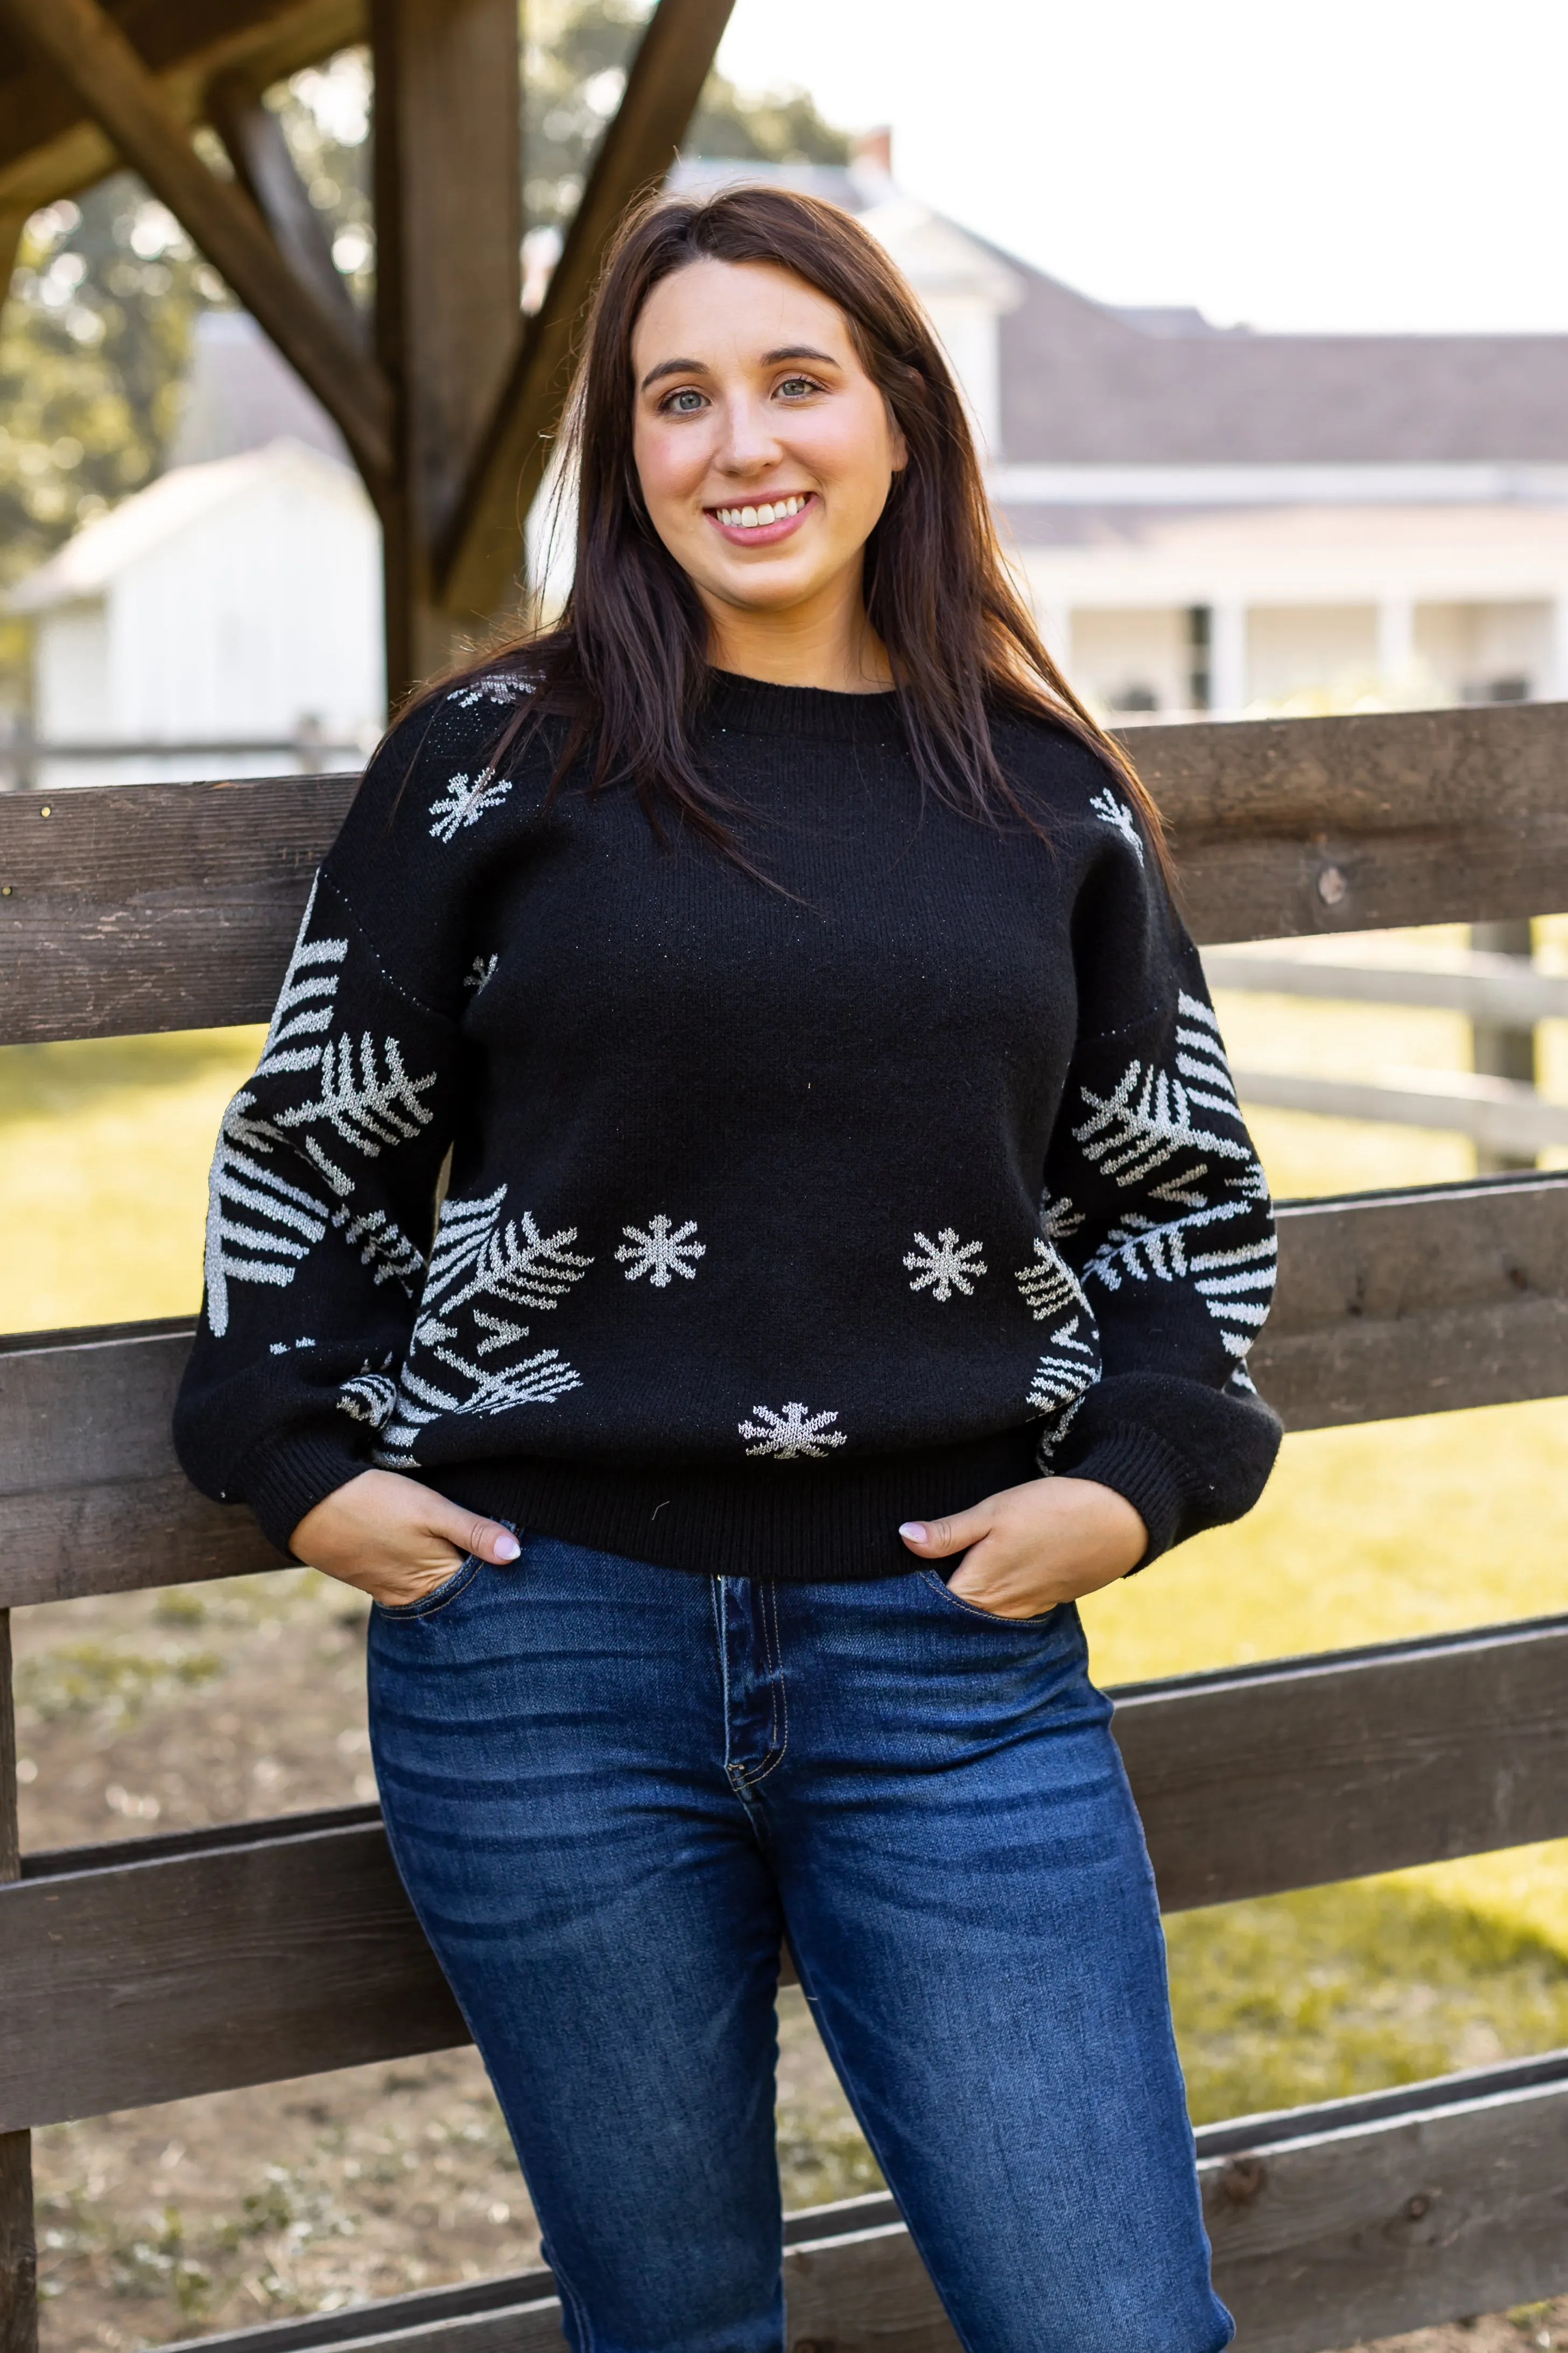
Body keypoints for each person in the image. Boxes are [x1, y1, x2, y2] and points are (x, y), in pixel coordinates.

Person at [174, 185, 1281, 2353]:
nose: (736, 446)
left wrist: (1136, 1478)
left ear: (897, 421)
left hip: (949, 1662)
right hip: (540, 1658)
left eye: (795, 381)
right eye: (675, 398)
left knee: (1112, 2325)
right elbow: (312, 1146)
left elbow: (1183, 1199)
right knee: (667, 2326)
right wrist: (287, 1451)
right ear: (625, 451)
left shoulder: (1045, 795)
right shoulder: (491, 765)